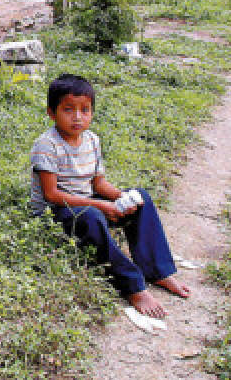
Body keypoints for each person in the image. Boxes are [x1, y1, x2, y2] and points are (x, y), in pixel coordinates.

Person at [29, 74, 190, 318]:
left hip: (87, 201)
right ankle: (132, 285)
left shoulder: (92, 140)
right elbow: (51, 195)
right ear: (52, 113)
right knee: (93, 216)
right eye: (68, 110)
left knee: (140, 196)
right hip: (56, 212)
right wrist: (102, 207)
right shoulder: (47, 145)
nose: (77, 117)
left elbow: (98, 183)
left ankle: (157, 271)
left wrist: (121, 198)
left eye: (85, 110)